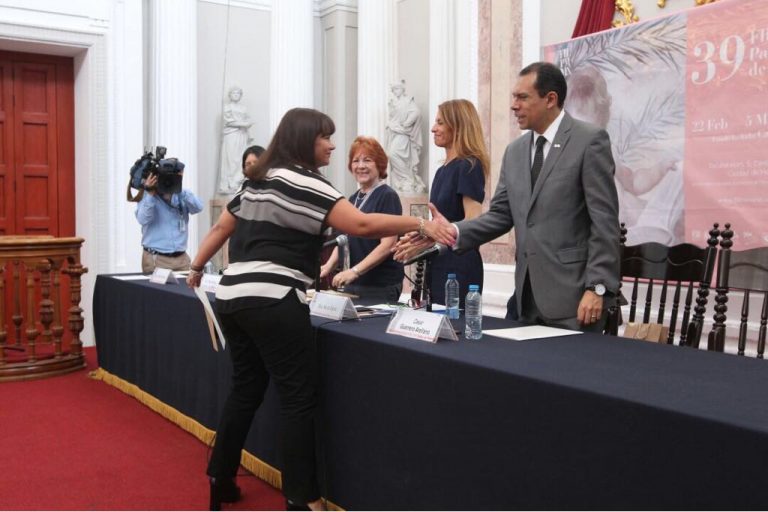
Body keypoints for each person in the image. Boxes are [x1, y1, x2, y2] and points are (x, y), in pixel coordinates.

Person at [185, 108, 452, 511]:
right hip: (275, 298)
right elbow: (361, 225)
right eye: (325, 137)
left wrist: (196, 267)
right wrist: (420, 225)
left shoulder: (255, 181)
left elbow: (222, 228)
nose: (332, 145)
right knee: (297, 400)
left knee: (245, 389)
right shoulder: (310, 183)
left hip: (232, 295)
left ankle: (220, 478)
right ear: (305, 140)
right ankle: (302, 498)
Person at [401, 62, 620, 331]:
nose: (514, 106)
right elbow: (500, 216)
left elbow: (604, 222)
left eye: (522, 97)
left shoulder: (589, 141)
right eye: (514, 97)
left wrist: (597, 287)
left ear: (550, 99)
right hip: (525, 300)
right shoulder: (515, 151)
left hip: (575, 300)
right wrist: (453, 231)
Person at [409, 99, 490, 308]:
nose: (433, 128)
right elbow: (439, 223)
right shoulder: (441, 171)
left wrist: (448, 231)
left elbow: (473, 221)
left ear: (458, 126)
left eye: (440, 122)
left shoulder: (468, 166)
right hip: (438, 260)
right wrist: (421, 236)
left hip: (459, 264)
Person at [319, 136, 404, 304]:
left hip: (378, 286)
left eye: (367, 160)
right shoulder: (353, 198)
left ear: (379, 164)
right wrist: (327, 266)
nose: (361, 166)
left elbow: (388, 244)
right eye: (356, 161)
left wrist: (355, 271)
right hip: (353, 282)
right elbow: (344, 239)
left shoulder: (387, 196)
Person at [135, 169, 203, 273]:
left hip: (182, 259)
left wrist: (178, 187)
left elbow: (198, 207)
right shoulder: (147, 195)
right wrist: (150, 194)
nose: (167, 180)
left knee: (184, 284)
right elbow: (142, 219)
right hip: (156, 259)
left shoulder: (181, 195)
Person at [385, 80, 427, 193]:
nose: (395, 91)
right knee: (391, 155)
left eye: (397, 89)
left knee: (393, 154)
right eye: (393, 90)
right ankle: (404, 180)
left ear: (402, 89)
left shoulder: (407, 101)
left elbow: (416, 112)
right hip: (394, 132)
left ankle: (407, 179)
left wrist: (407, 123)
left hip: (403, 133)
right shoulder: (393, 102)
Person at [218, 86, 254, 194]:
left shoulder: (244, 108)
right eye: (234, 93)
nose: (236, 95)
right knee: (231, 159)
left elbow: (248, 120)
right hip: (231, 135)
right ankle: (230, 183)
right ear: (230, 95)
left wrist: (247, 127)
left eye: (238, 93)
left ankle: (238, 182)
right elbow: (229, 122)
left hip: (242, 135)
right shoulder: (227, 107)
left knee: (240, 158)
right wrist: (244, 124)